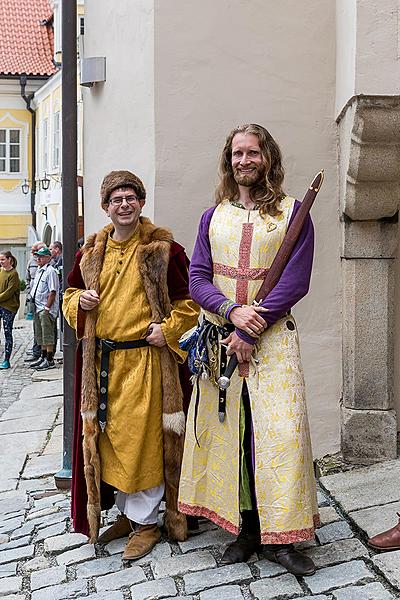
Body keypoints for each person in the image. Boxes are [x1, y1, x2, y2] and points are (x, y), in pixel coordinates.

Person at [178, 124, 319, 576]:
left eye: (253, 153)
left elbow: (295, 281)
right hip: (221, 340)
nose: (244, 160)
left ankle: (283, 537)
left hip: (273, 342)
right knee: (231, 437)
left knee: (278, 435)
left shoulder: (293, 215)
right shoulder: (211, 217)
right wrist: (232, 313)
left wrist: (252, 328)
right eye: (237, 153)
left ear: (267, 158)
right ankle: (246, 530)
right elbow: (197, 277)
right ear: (229, 160)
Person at [63, 170, 198, 560]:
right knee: (111, 440)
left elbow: (190, 301)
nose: (124, 205)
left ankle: (148, 523)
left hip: (145, 361)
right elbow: (70, 293)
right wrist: (79, 303)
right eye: (116, 200)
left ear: (141, 202)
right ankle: (127, 512)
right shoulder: (91, 252)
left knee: (143, 441)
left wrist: (168, 330)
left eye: (131, 198)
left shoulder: (162, 249)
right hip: (103, 364)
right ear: (105, 207)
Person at [29, 247, 59, 371]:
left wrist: (47, 308)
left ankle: (49, 359)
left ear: (48, 257)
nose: (38, 258)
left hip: (45, 308)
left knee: (48, 335)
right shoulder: (40, 270)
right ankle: (43, 356)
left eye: (41, 256)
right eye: (37, 256)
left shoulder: (50, 271)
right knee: (40, 335)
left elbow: (53, 291)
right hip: (37, 307)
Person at [25, 241, 46, 360]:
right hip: (33, 298)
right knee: (36, 326)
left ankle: (43, 354)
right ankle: (36, 350)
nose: (33, 253)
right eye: (32, 251)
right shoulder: (31, 262)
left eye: (35, 251)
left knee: (44, 329)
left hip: (43, 302)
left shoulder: (47, 264)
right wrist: (30, 291)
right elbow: (28, 278)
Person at [0, 251, 20, 369]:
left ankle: (7, 360)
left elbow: (9, 292)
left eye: (3, 259)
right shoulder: (1, 271)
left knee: (8, 332)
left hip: (9, 307)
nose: (1, 262)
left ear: (9, 260)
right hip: (0, 305)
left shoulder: (14, 274)